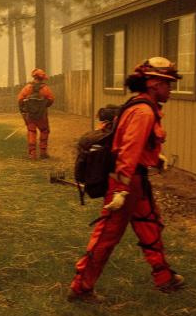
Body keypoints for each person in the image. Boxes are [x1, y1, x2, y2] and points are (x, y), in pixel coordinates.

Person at [69, 58, 185, 299]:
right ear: (154, 84)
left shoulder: (143, 106)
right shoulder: (143, 111)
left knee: (149, 225)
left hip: (136, 180)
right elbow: (128, 150)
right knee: (106, 236)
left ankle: (164, 277)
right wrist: (121, 189)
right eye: (167, 84)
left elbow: (136, 144)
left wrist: (155, 155)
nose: (170, 89)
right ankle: (81, 288)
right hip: (126, 182)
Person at [17, 68, 55, 160]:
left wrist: (24, 111)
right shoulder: (45, 89)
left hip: (30, 116)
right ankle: (43, 153)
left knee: (31, 132)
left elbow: (20, 100)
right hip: (42, 116)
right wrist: (44, 106)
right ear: (42, 78)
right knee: (44, 131)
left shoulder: (27, 88)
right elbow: (51, 99)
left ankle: (32, 154)